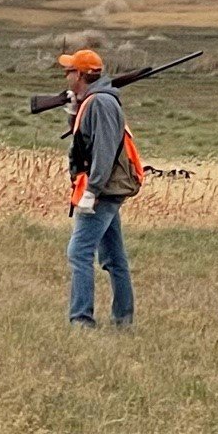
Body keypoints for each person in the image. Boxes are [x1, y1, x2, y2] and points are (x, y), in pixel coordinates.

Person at [60, 49, 142, 328]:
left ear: (81, 75)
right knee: (113, 257)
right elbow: (84, 141)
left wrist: (91, 191)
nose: (66, 74)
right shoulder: (92, 101)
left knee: (79, 252)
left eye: (70, 70)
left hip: (102, 191)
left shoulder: (102, 104)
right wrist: (73, 112)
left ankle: (81, 320)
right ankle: (123, 319)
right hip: (105, 189)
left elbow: (104, 151)